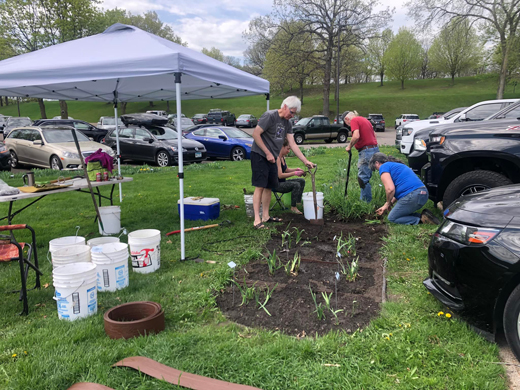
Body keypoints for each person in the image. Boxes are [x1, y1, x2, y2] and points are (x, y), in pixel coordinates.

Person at [251, 96, 314, 229]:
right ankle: (257, 220)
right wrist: (267, 153)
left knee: (269, 186)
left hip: (273, 158)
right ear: (284, 106)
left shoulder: (287, 123)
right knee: (260, 186)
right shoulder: (270, 116)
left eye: (294, 113)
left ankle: (266, 216)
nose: (292, 115)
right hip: (260, 155)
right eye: (291, 112)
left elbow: (293, 144)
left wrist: (305, 160)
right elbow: (256, 134)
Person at [369, 152, 440, 225]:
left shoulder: (384, 167)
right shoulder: (396, 165)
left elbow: (390, 189)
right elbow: (402, 189)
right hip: (422, 193)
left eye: (376, 168)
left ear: (377, 163)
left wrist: (387, 203)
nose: (378, 170)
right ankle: (425, 216)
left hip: (414, 195)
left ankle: (420, 220)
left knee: (392, 218)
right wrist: (389, 203)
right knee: (398, 214)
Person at [344, 111, 379, 202]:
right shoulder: (365, 120)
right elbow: (373, 135)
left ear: (347, 119)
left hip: (366, 151)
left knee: (362, 178)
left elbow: (356, 136)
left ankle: (365, 202)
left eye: (346, 123)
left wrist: (349, 146)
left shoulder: (354, 120)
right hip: (374, 149)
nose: (348, 125)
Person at [273, 138, 307, 214]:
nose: (289, 151)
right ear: (282, 146)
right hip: (276, 184)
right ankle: (293, 207)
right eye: (287, 149)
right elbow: (280, 175)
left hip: (282, 182)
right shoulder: (277, 158)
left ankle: (298, 202)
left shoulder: (282, 157)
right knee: (296, 184)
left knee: (301, 181)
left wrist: (297, 169)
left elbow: (286, 170)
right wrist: (295, 173)